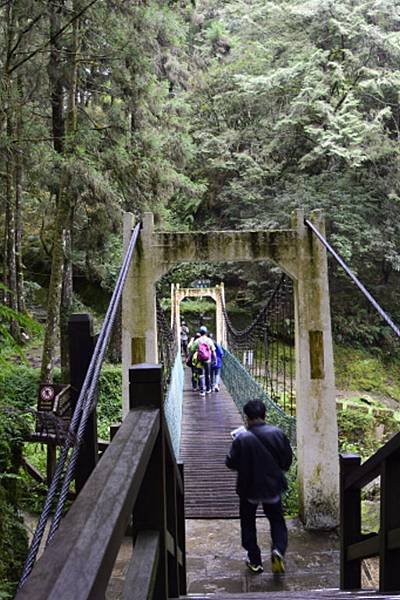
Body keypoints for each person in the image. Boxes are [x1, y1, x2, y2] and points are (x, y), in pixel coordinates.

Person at [225, 399, 293, 575]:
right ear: (265, 415)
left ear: (246, 417)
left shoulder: (242, 438)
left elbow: (230, 463)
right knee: (277, 521)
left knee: (248, 523)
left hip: (249, 489)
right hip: (272, 488)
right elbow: (287, 462)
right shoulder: (278, 433)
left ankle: (255, 560)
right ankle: (278, 549)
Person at [189, 325, 216, 396]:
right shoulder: (209, 340)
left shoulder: (197, 341)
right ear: (206, 332)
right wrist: (215, 359)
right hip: (208, 360)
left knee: (201, 375)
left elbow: (192, 350)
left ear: (200, 333)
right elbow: (213, 351)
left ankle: (202, 391)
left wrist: (189, 358)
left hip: (200, 360)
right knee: (208, 374)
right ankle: (208, 389)